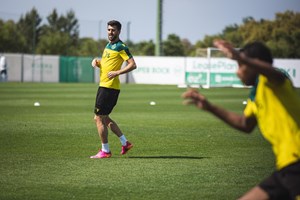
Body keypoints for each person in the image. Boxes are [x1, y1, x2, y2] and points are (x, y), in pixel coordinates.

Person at [182, 39, 300, 200]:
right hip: (286, 167)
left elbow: (275, 74)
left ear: (253, 65)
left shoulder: (274, 81)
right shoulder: (256, 93)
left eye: (240, 66)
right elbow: (245, 124)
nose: (237, 72)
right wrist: (209, 107)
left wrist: (240, 57)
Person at [90, 20, 137, 159]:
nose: (110, 32)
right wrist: (97, 62)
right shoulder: (108, 45)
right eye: (109, 30)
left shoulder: (121, 47)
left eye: (113, 30)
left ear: (119, 31)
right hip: (105, 86)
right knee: (104, 118)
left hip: (109, 88)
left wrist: (117, 72)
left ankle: (105, 151)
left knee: (98, 118)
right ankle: (125, 142)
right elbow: (107, 65)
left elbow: (133, 65)